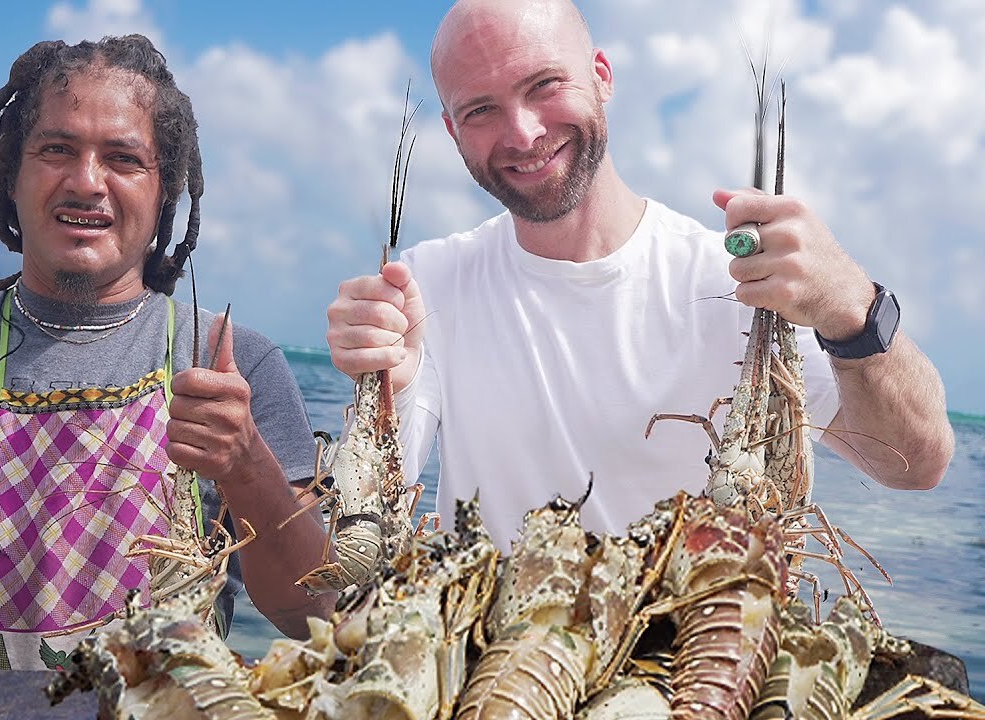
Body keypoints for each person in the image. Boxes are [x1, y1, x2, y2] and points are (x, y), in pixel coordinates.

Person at [326, 0, 954, 546]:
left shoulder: (744, 282)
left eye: (544, 85)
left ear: (601, 77)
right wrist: (386, 390)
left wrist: (852, 310)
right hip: (497, 661)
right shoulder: (426, 284)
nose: (522, 133)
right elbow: (356, 541)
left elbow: (916, 464)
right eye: (480, 110)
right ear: (451, 130)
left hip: (704, 657)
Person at [0, 34, 333, 671]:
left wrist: (248, 466)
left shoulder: (232, 362)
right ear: (12, 174)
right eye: (57, 149)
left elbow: (316, 613)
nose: (87, 182)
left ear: (163, 188)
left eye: (123, 158)